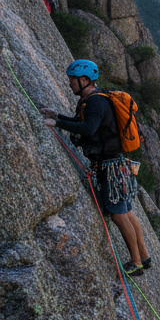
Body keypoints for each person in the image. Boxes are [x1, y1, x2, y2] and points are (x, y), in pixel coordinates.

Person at [42, 60, 150, 275]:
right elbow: (83, 122)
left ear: (84, 80)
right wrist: (58, 116)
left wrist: (58, 124)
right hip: (118, 165)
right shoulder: (91, 100)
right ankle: (145, 257)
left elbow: (89, 129)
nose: (70, 83)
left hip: (109, 167)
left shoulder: (95, 102)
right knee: (128, 213)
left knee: (120, 215)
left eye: (73, 79)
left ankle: (136, 263)